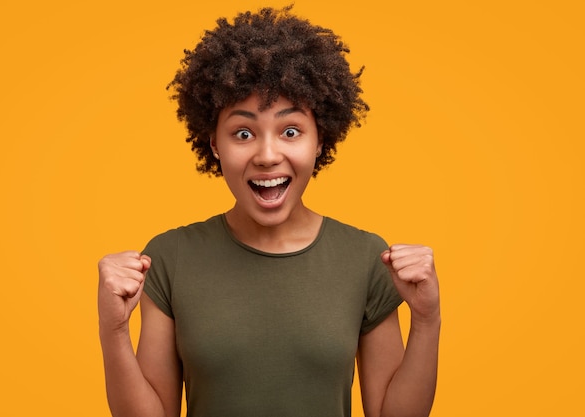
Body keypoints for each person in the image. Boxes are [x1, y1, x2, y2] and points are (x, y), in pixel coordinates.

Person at [98, 5, 440, 417]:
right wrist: (114, 330)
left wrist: (426, 320)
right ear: (214, 145)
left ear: (320, 140)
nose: (267, 155)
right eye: (243, 133)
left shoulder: (367, 258)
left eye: (290, 131)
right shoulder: (170, 257)